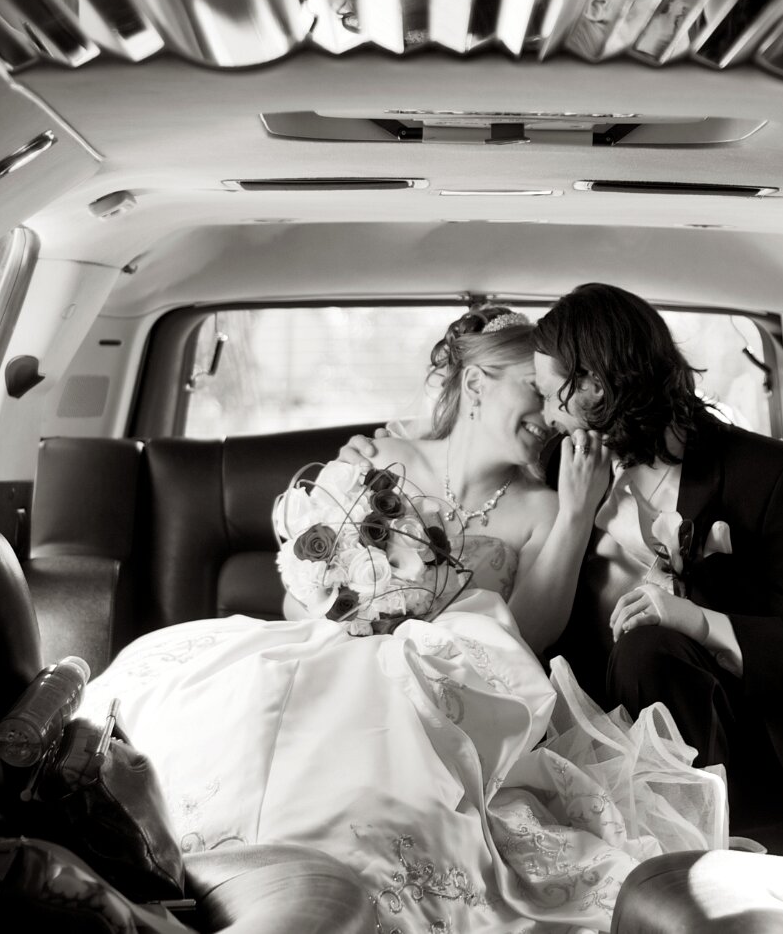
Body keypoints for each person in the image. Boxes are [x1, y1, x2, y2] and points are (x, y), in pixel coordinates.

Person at [83, 306, 729, 934]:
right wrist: (358, 607)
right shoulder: (373, 459)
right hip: (332, 652)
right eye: (533, 390)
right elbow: (297, 598)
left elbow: (527, 638)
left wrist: (575, 515)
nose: (550, 413)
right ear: (475, 383)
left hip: (449, 693)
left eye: (557, 395)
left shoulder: (543, 505)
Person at [348, 285, 783, 828]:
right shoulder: (563, 461)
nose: (547, 415)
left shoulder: (772, 475)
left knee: (649, 648)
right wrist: (371, 456)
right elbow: (467, 448)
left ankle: (695, 835)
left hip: (743, 743)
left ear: (594, 384)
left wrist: (699, 622)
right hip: (591, 734)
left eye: (551, 395)